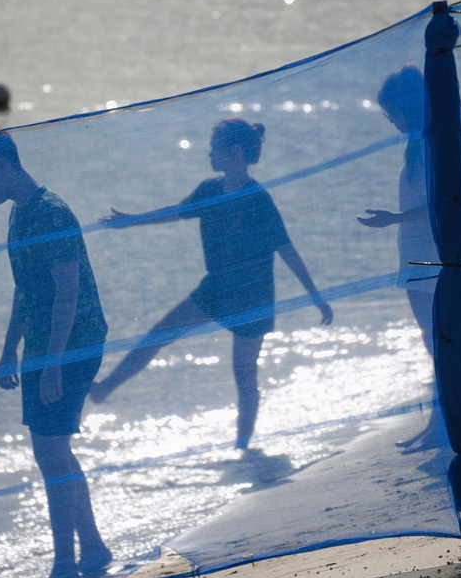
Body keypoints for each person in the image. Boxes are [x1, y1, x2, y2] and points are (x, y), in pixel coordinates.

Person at [92, 117, 333, 451]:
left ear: (234, 152)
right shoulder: (209, 190)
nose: (209, 156)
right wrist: (132, 221)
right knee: (158, 335)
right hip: (217, 289)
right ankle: (104, 389)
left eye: (214, 150)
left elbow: (287, 250)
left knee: (245, 375)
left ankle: (243, 447)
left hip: (254, 297)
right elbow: (175, 212)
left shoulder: (258, 199)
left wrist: (317, 298)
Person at [0, 130, 112, 578]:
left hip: (73, 341)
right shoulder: (20, 216)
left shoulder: (51, 214)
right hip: (44, 344)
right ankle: (94, 549)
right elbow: (26, 289)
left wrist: (53, 365)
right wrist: (9, 350)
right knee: (55, 450)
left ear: (3, 166)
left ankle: (65, 565)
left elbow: (68, 291)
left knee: (49, 452)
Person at [356, 66, 444, 452]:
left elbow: (439, 205)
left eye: (394, 115)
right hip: (414, 256)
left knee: (437, 343)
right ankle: (437, 422)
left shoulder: (431, 145)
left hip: (429, 258)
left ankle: (443, 423)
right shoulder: (418, 144)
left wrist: (393, 219)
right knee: (431, 343)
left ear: (409, 107)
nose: (392, 123)